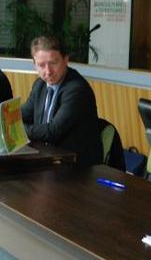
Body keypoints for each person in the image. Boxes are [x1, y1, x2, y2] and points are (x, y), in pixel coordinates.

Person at [21, 35, 102, 166]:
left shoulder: (76, 89)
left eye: (53, 63)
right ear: (34, 64)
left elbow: (53, 131)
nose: (48, 71)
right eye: (41, 65)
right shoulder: (40, 85)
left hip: (75, 166)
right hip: (47, 157)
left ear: (65, 60)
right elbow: (25, 113)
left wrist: (16, 131)